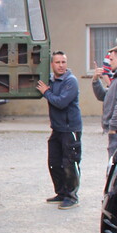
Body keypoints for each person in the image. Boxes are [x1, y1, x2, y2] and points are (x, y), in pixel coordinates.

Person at [36, 52, 82, 210]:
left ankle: (72, 196)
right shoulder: (51, 80)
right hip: (57, 129)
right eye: (57, 62)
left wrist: (46, 93)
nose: (61, 65)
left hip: (70, 129)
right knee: (54, 163)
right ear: (52, 64)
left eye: (63, 62)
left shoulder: (71, 81)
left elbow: (61, 102)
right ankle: (61, 193)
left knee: (69, 163)